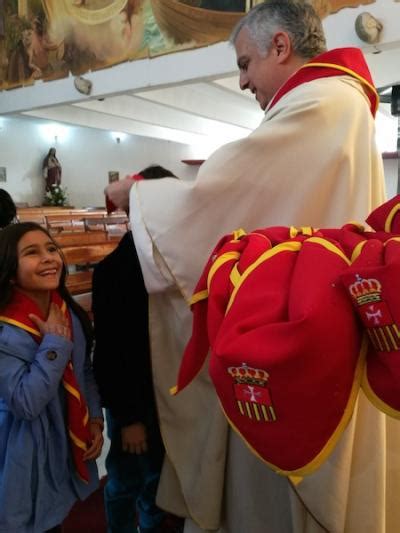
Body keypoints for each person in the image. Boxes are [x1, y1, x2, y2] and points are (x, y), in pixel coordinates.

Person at [105, 1, 399, 532]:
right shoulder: (339, 101)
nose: (243, 82)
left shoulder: (321, 104)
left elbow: (221, 199)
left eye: (245, 64)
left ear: (280, 47)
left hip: (297, 335)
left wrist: (140, 195)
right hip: (313, 322)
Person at [93, 165, 182, 533]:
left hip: (171, 395)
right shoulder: (115, 269)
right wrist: (128, 418)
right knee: (127, 479)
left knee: (159, 479)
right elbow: (113, 350)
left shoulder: (179, 259)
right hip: (136, 399)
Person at [0, 222, 104, 532]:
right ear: (9, 270)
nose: (48, 258)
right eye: (32, 253)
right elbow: (25, 403)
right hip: (21, 449)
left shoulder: (65, 312)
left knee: (55, 519)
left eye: (51, 249)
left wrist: (95, 419)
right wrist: (55, 345)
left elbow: (83, 371)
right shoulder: (6, 331)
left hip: (59, 441)